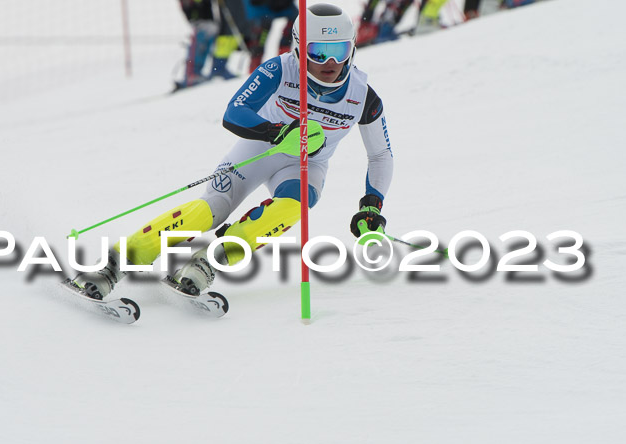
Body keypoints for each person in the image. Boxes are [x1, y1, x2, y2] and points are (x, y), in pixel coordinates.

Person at [69, 3, 394, 299]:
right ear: (299, 48)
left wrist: (372, 205)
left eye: (338, 50)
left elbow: (380, 155)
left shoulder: (362, 96)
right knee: (210, 212)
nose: (331, 63)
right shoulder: (280, 70)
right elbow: (234, 112)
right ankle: (116, 262)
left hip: (306, 166)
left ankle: (207, 262)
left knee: (296, 206)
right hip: (256, 151)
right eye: (319, 52)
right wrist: (278, 131)